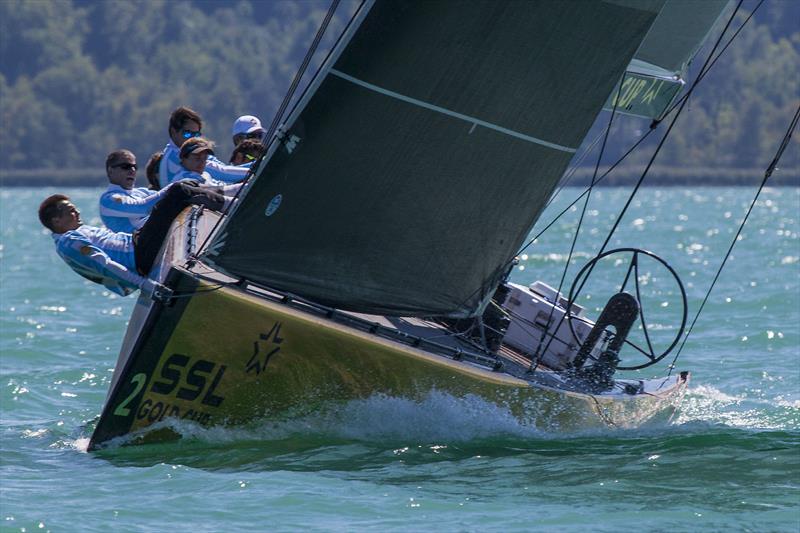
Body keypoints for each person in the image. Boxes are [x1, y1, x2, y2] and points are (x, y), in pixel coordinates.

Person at [40, 184, 231, 298]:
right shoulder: (68, 242)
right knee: (179, 191)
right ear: (56, 221)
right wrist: (145, 285)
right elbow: (105, 266)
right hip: (140, 255)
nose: (78, 212)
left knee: (182, 191)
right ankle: (237, 205)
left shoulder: (74, 234)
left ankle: (230, 196)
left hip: (138, 244)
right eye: (71, 211)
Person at [159, 106, 250, 188]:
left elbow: (224, 168)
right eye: (187, 133)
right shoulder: (178, 155)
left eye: (196, 134)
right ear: (174, 131)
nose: (193, 138)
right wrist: (258, 166)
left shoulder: (185, 151)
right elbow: (223, 173)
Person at [98, 149, 172, 233]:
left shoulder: (144, 192)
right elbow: (143, 208)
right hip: (130, 245)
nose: (132, 170)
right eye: (126, 167)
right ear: (110, 170)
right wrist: (174, 188)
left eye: (135, 167)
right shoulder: (108, 200)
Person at [172, 137, 243, 195]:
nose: (202, 162)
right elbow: (215, 190)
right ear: (184, 158)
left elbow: (222, 186)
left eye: (205, 158)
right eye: (197, 158)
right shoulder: (185, 178)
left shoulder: (205, 174)